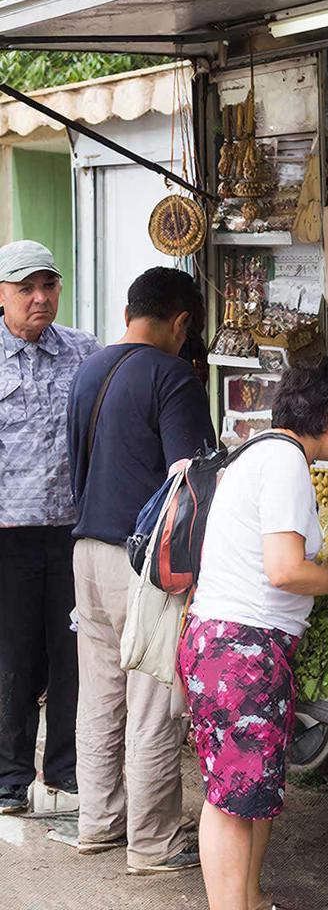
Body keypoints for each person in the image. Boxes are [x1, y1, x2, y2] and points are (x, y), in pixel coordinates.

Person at [178, 358, 328, 910]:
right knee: (231, 802)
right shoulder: (287, 462)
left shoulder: (260, 451)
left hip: (226, 645)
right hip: (240, 652)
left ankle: (250, 898)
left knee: (249, 794)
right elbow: (285, 570)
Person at [67, 267, 216, 873]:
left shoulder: (88, 369)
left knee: (100, 697)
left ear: (130, 312)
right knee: (154, 703)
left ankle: (98, 822)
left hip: (87, 553)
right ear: (181, 322)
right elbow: (191, 481)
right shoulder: (172, 376)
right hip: (145, 567)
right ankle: (153, 843)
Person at [0, 241, 99, 814]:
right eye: (26, 288)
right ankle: (9, 777)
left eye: (48, 285)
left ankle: (65, 771)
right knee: (13, 656)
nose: (40, 298)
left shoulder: (85, 351)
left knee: (73, 651)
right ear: (3, 296)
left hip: (72, 530)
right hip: (8, 533)